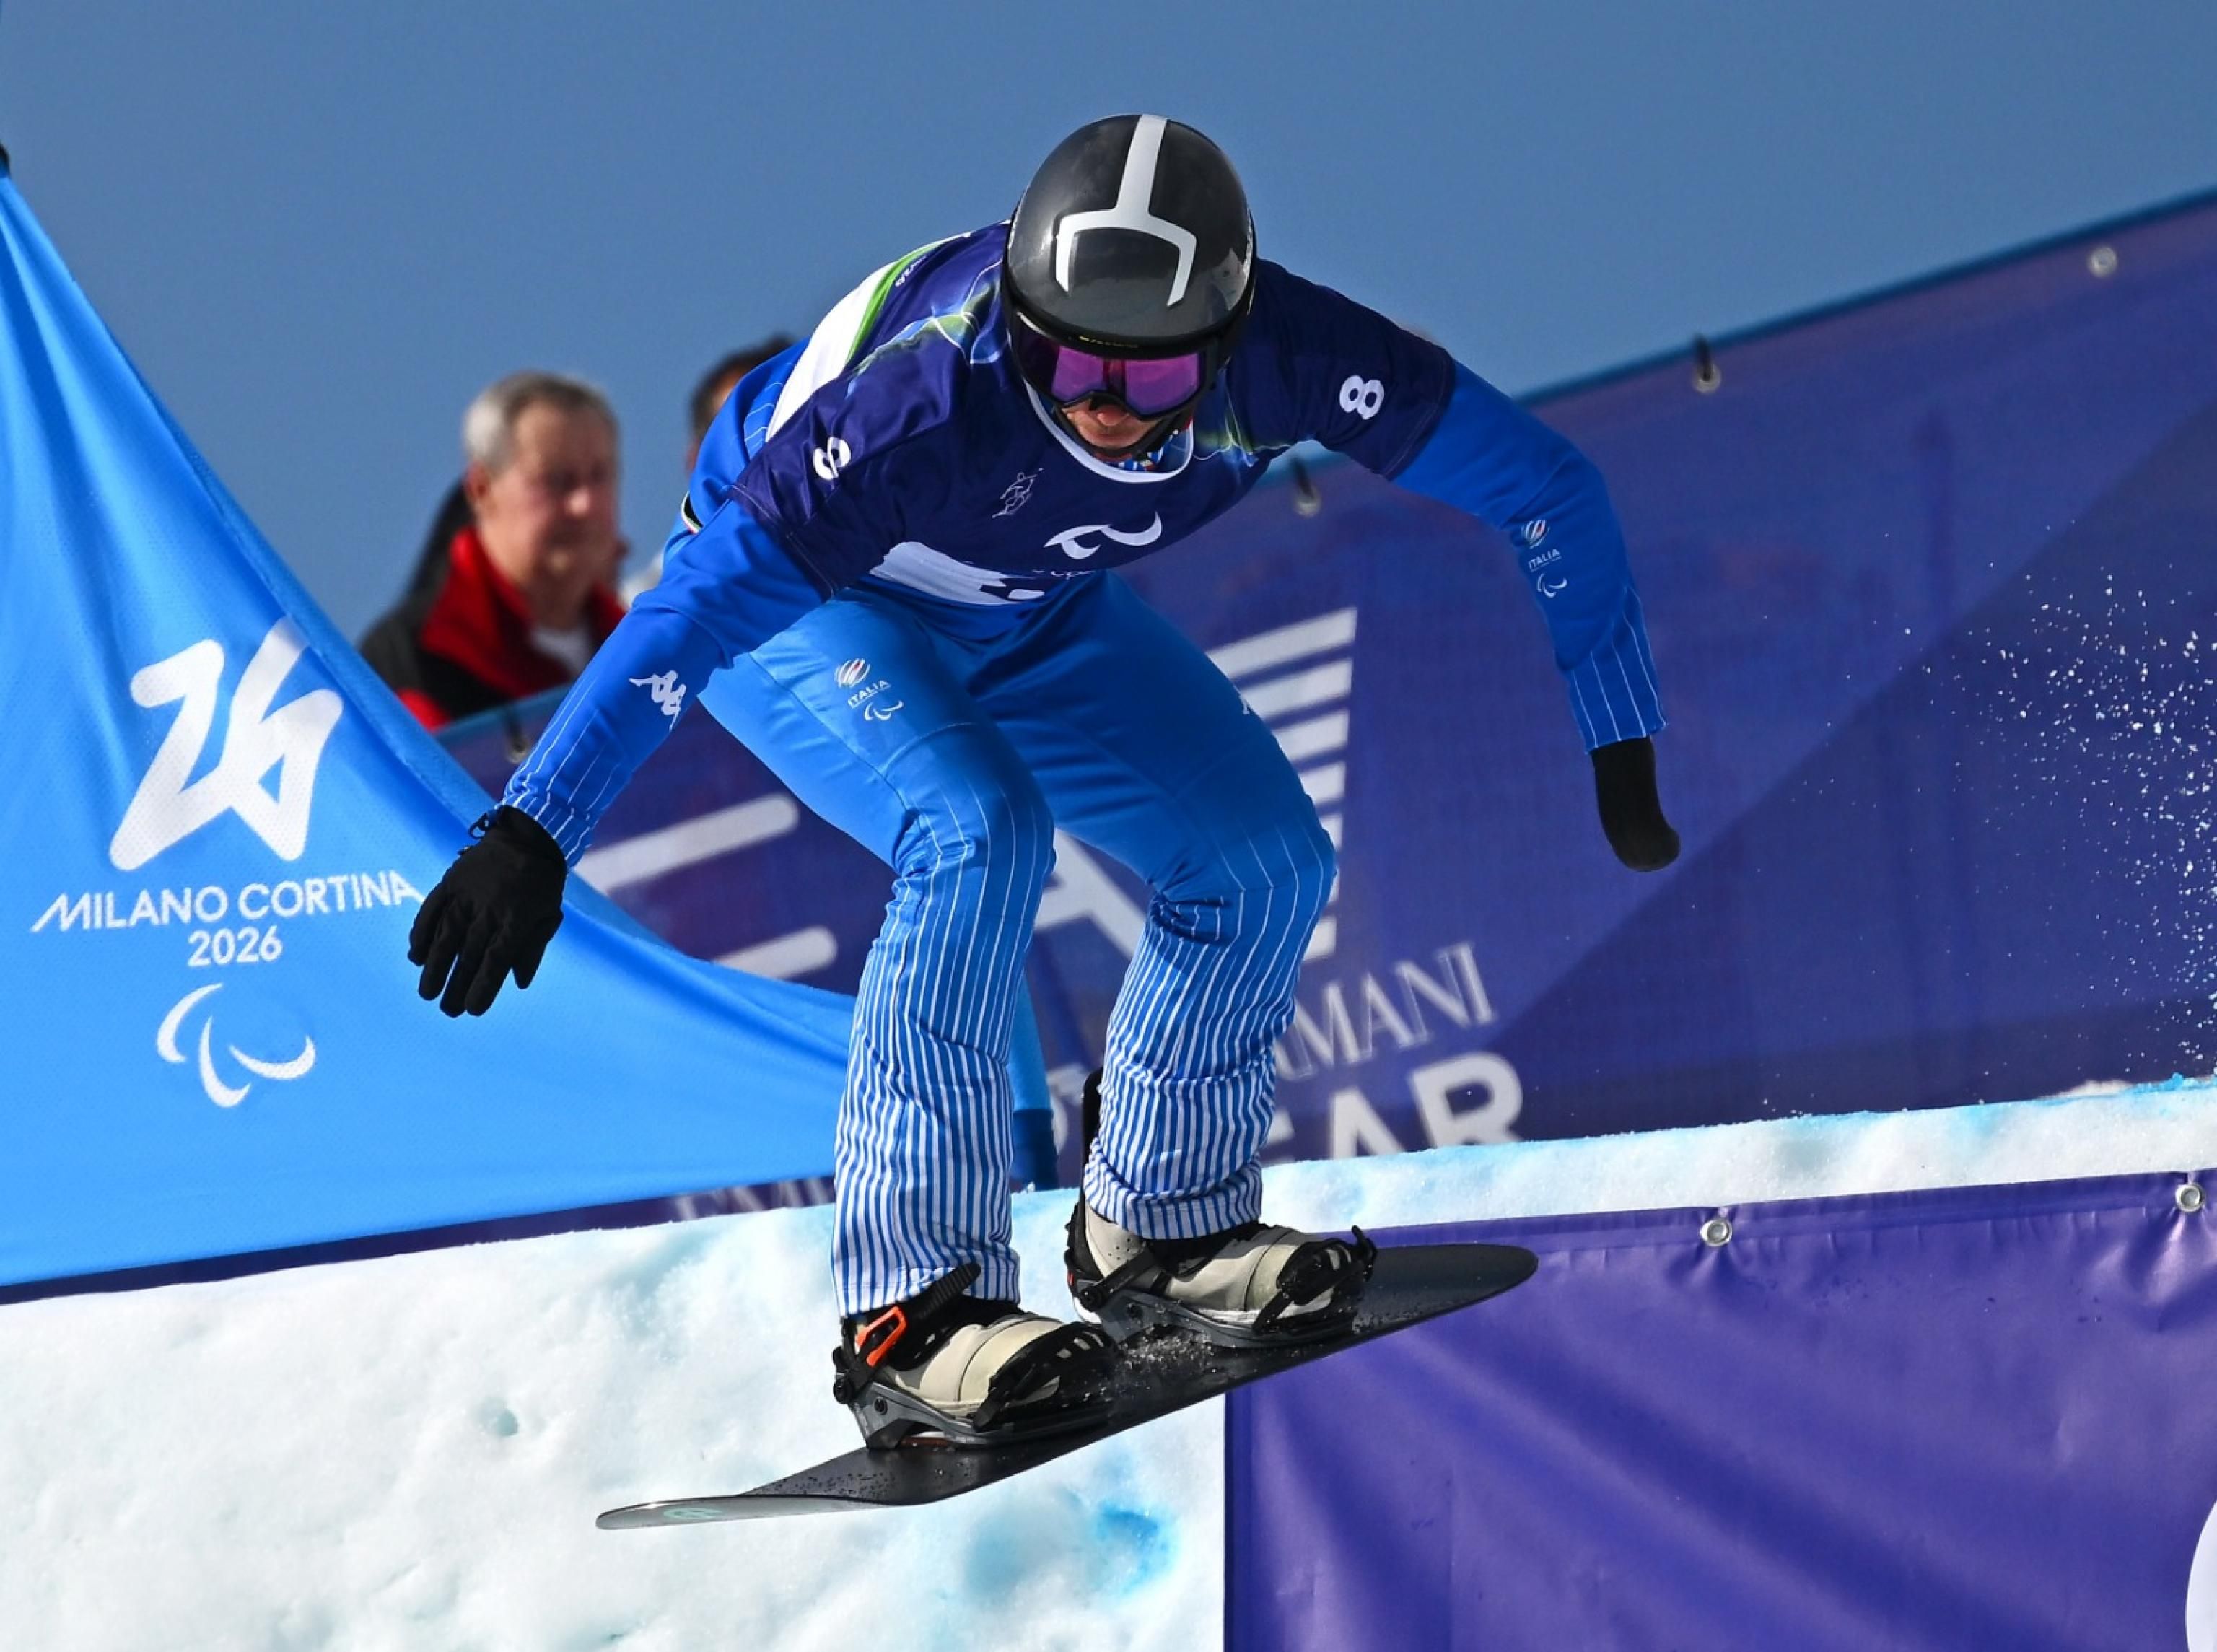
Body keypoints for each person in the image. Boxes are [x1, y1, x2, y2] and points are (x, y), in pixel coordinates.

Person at [407, 116, 1678, 1443]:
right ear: (1020, 317)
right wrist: (532, 827)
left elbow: (1548, 487)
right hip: (821, 605)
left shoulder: (1296, 356)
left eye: (1153, 372)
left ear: (1227, 340)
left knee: (1264, 861)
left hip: (1029, 605)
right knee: (979, 828)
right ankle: (910, 1311)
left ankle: (1163, 1224)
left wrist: (1619, 730)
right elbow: (692, 613)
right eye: (1068, 360)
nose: (1105, 404)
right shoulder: (922, 404)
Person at [361, 372, 628, 730]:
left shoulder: (649, 648)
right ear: (482, 490)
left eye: (600, 476)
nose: (585, 505)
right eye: (557, 481)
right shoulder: (410, 661)